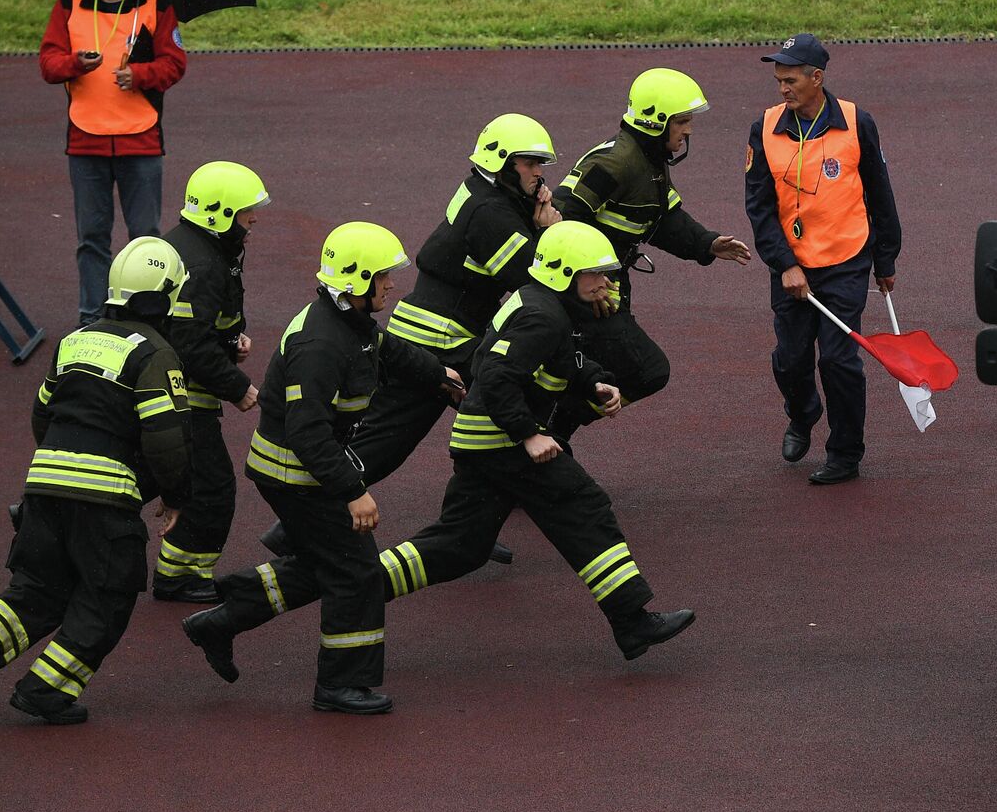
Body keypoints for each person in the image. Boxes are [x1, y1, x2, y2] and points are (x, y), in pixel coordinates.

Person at [183, 223, 695, 689]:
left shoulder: (545, 306)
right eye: (597, 276)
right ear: (565, 274)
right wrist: (529, 435)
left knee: (457, 547)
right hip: (499, 442)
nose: (607, 284)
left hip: (484, 442)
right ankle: (632, 620)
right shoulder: (541, 315)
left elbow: (552, 359)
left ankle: (242, 607)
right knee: (586, 507)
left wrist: (592, 381)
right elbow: (495, 378)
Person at [258, 114, 561, 565]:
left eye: (541, 164)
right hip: (439, 337)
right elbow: (536, 278)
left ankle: (464, 527)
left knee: (417, 434)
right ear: (502, 162)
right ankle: (308, 524)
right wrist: (548, 229)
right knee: (404, 437)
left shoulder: (487, 192)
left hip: (435, 333)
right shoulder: (491, 212)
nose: (540, 172)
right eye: (531, 163)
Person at [184, 223, 459, 715]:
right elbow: (307, 433)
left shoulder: (346, 322)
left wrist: (438, 376)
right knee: (356, 574)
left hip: (304, 471)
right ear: (356, 283)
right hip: (296, 476)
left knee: (326, 565)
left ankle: (223, 619)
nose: (392, 285)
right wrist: (353, 491)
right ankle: (340, 686)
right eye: (383, 277)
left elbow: (386, 349)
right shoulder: (320, 346)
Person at [0, 238, 192, 725]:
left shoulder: (75, 339)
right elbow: (167, 441)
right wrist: (176, 497)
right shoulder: (157, 355)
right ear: (165, 296)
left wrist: (55, 468)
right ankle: (45, 689)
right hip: (104, 496)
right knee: (109, 596)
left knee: (40, 586)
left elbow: (42, 413)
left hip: (43, 485)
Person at [549, 68, 752, 441]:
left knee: (605, 369)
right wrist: (589, 282)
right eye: (683, 121)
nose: (689, 130)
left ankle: (545, 437)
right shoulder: (615, 162)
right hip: (589, 294)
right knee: (645, 371)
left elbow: (664, 219)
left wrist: (706, 243)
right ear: (657, 121)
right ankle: (547, 436)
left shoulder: (648, 159)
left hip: (605, 287)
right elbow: (562, 219)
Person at [744, 34, 903, 485]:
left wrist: (885, 260)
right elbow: (758, 205)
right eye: (778, 80)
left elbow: (880, 192)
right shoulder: (765, 127)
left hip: (845, 260)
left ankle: (845, 453)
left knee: (838, 360)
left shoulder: (856, 122)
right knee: (790, 360)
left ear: (817, 78)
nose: (782, 89)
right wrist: (784, 264)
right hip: (792, 263)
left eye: (790, 80)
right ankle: (803, 412)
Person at [38, 0, 188, 327]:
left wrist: (139, 76)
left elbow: (175, 64)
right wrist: (75, 64)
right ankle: (91, 320)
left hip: (141, 140)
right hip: (86, 141)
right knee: (92, 240)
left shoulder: (154, 4)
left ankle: (148, 321)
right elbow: (48, 64)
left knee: (145, 239)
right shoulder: (68, 6)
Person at [152, 161, 267, 603]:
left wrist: (230, 339)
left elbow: (201, 327)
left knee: (150, 476)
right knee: (211, 487)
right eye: (246, 212)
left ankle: (37, 514)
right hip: (178, 395)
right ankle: (179, 577)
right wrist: (238, 387)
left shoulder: (198, 249)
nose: (254, 218)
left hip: (166, 387)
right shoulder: (203, 263)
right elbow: (190, 345)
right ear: (219, 214)